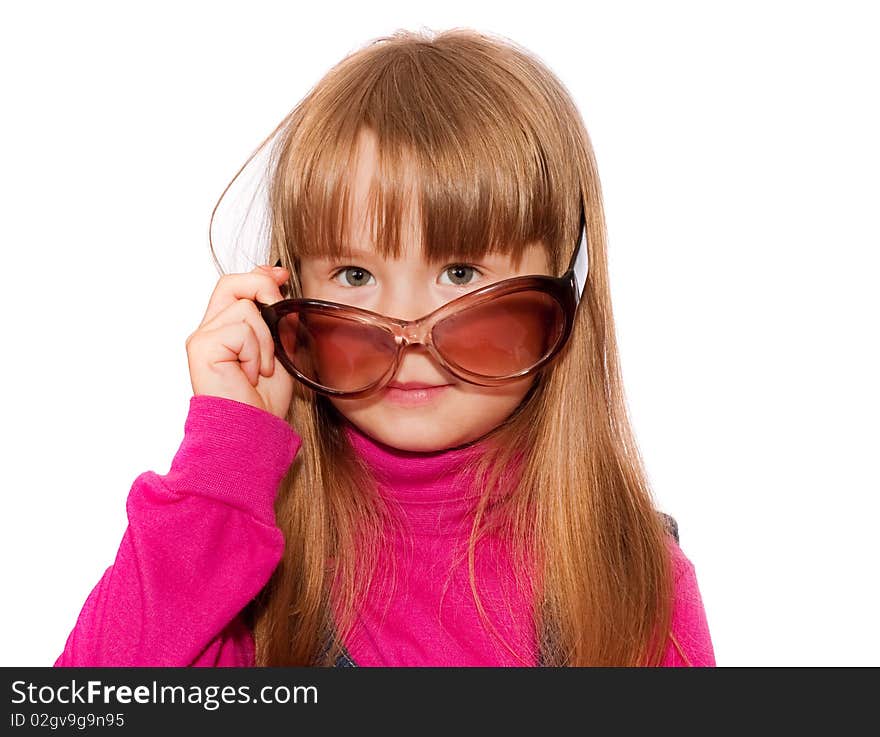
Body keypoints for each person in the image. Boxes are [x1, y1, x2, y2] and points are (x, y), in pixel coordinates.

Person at [54, 27, 715, 667]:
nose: (406, 327)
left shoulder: (634, 579)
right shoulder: (239, 560)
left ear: (560, 299)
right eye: (356, 275)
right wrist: (224, 459)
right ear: (289, 295)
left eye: (460, 272)